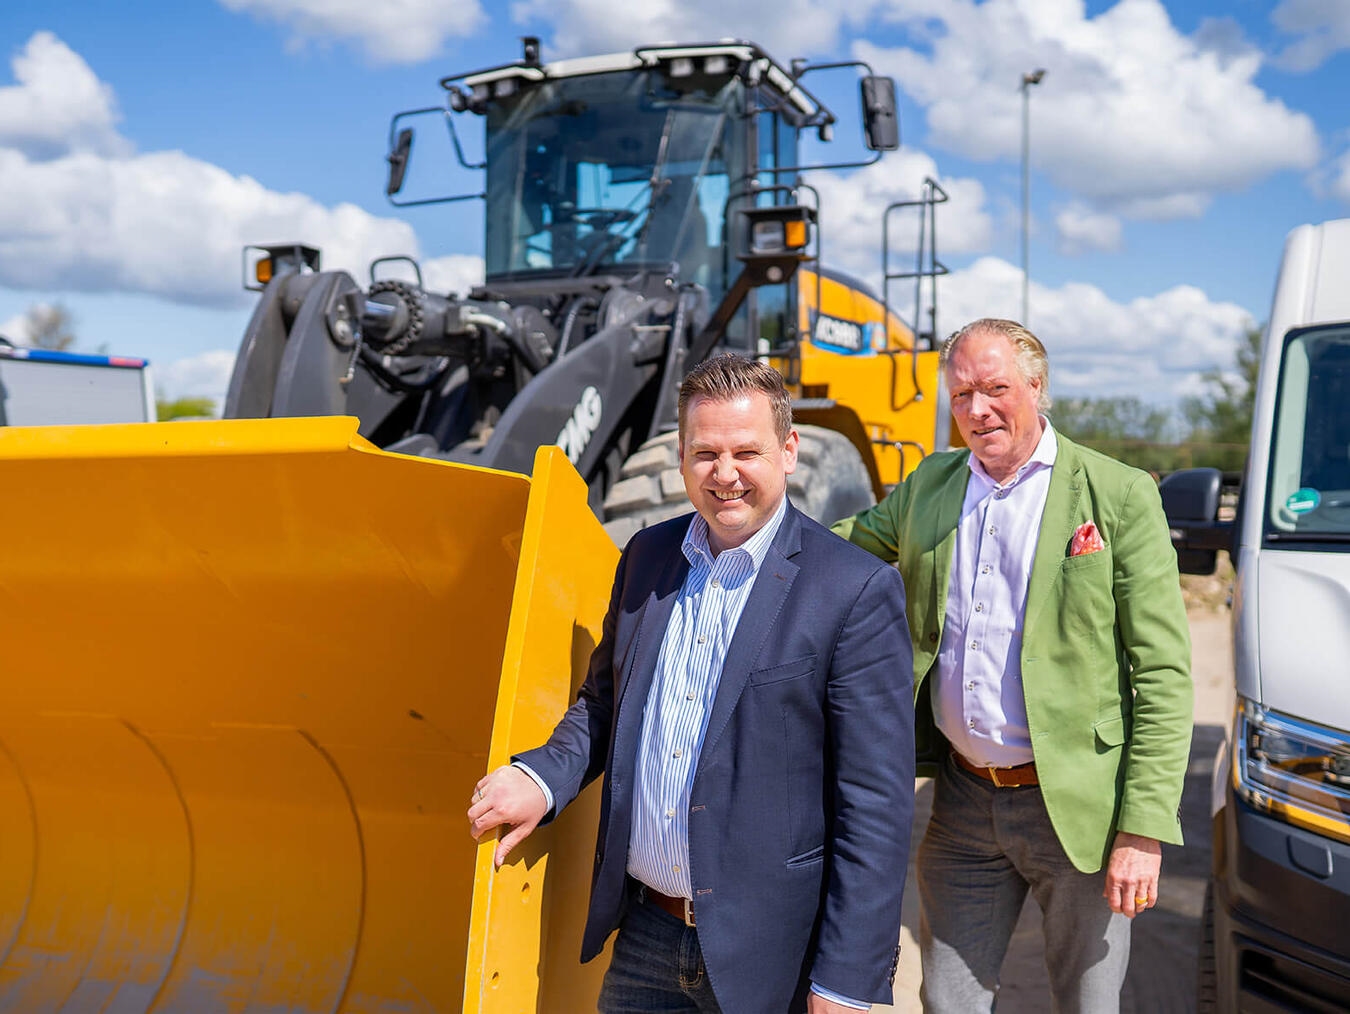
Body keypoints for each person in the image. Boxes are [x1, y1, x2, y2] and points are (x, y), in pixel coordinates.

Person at [469, 354, 915, 1014]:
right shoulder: (648, 556)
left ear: (789, 450)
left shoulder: (852, 589)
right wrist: (539, 778)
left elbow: (874, 806)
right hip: (647, 935)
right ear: (680, 456)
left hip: (773, 951)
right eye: (704, 453)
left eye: (746, 451)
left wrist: (845, 977)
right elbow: (605, 705)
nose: (725, 474)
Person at [832, 318, 1192, 1013]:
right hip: (963, 804)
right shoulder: (932, 484)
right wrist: (752, 530)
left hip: (1082, 808)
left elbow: (1164, 673)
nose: (977, 409)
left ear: (1036, 386)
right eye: (961, 394)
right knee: (947, 1000)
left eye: (995, 388)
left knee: (1088, 1003)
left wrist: (1142, 829)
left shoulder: (1114, 495)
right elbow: (846, 548)